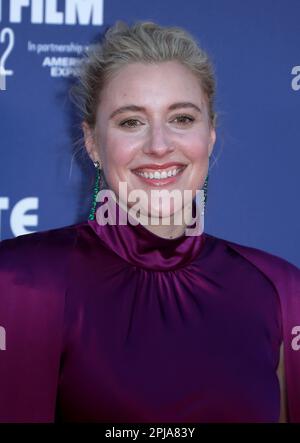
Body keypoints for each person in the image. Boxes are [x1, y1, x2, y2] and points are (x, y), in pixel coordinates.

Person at [0, 20, 299, 423]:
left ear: (209, 136)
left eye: (182, 119)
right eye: (130, 122)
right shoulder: (22, 280)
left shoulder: (280, 291)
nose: (159, 145)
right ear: (92, 142)